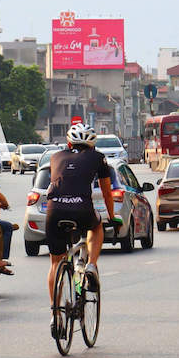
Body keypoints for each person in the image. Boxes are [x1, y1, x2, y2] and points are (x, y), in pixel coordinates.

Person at [45, 123, 120, 336]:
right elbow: (107, 192)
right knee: (96, 227)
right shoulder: (98, 158)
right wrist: (112, 217)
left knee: (55, 262)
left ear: (68, 143)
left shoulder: (54, 156)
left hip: (54, 211)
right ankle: (91, 266)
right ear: (93, 144)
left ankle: (55, 314)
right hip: (81, 208)